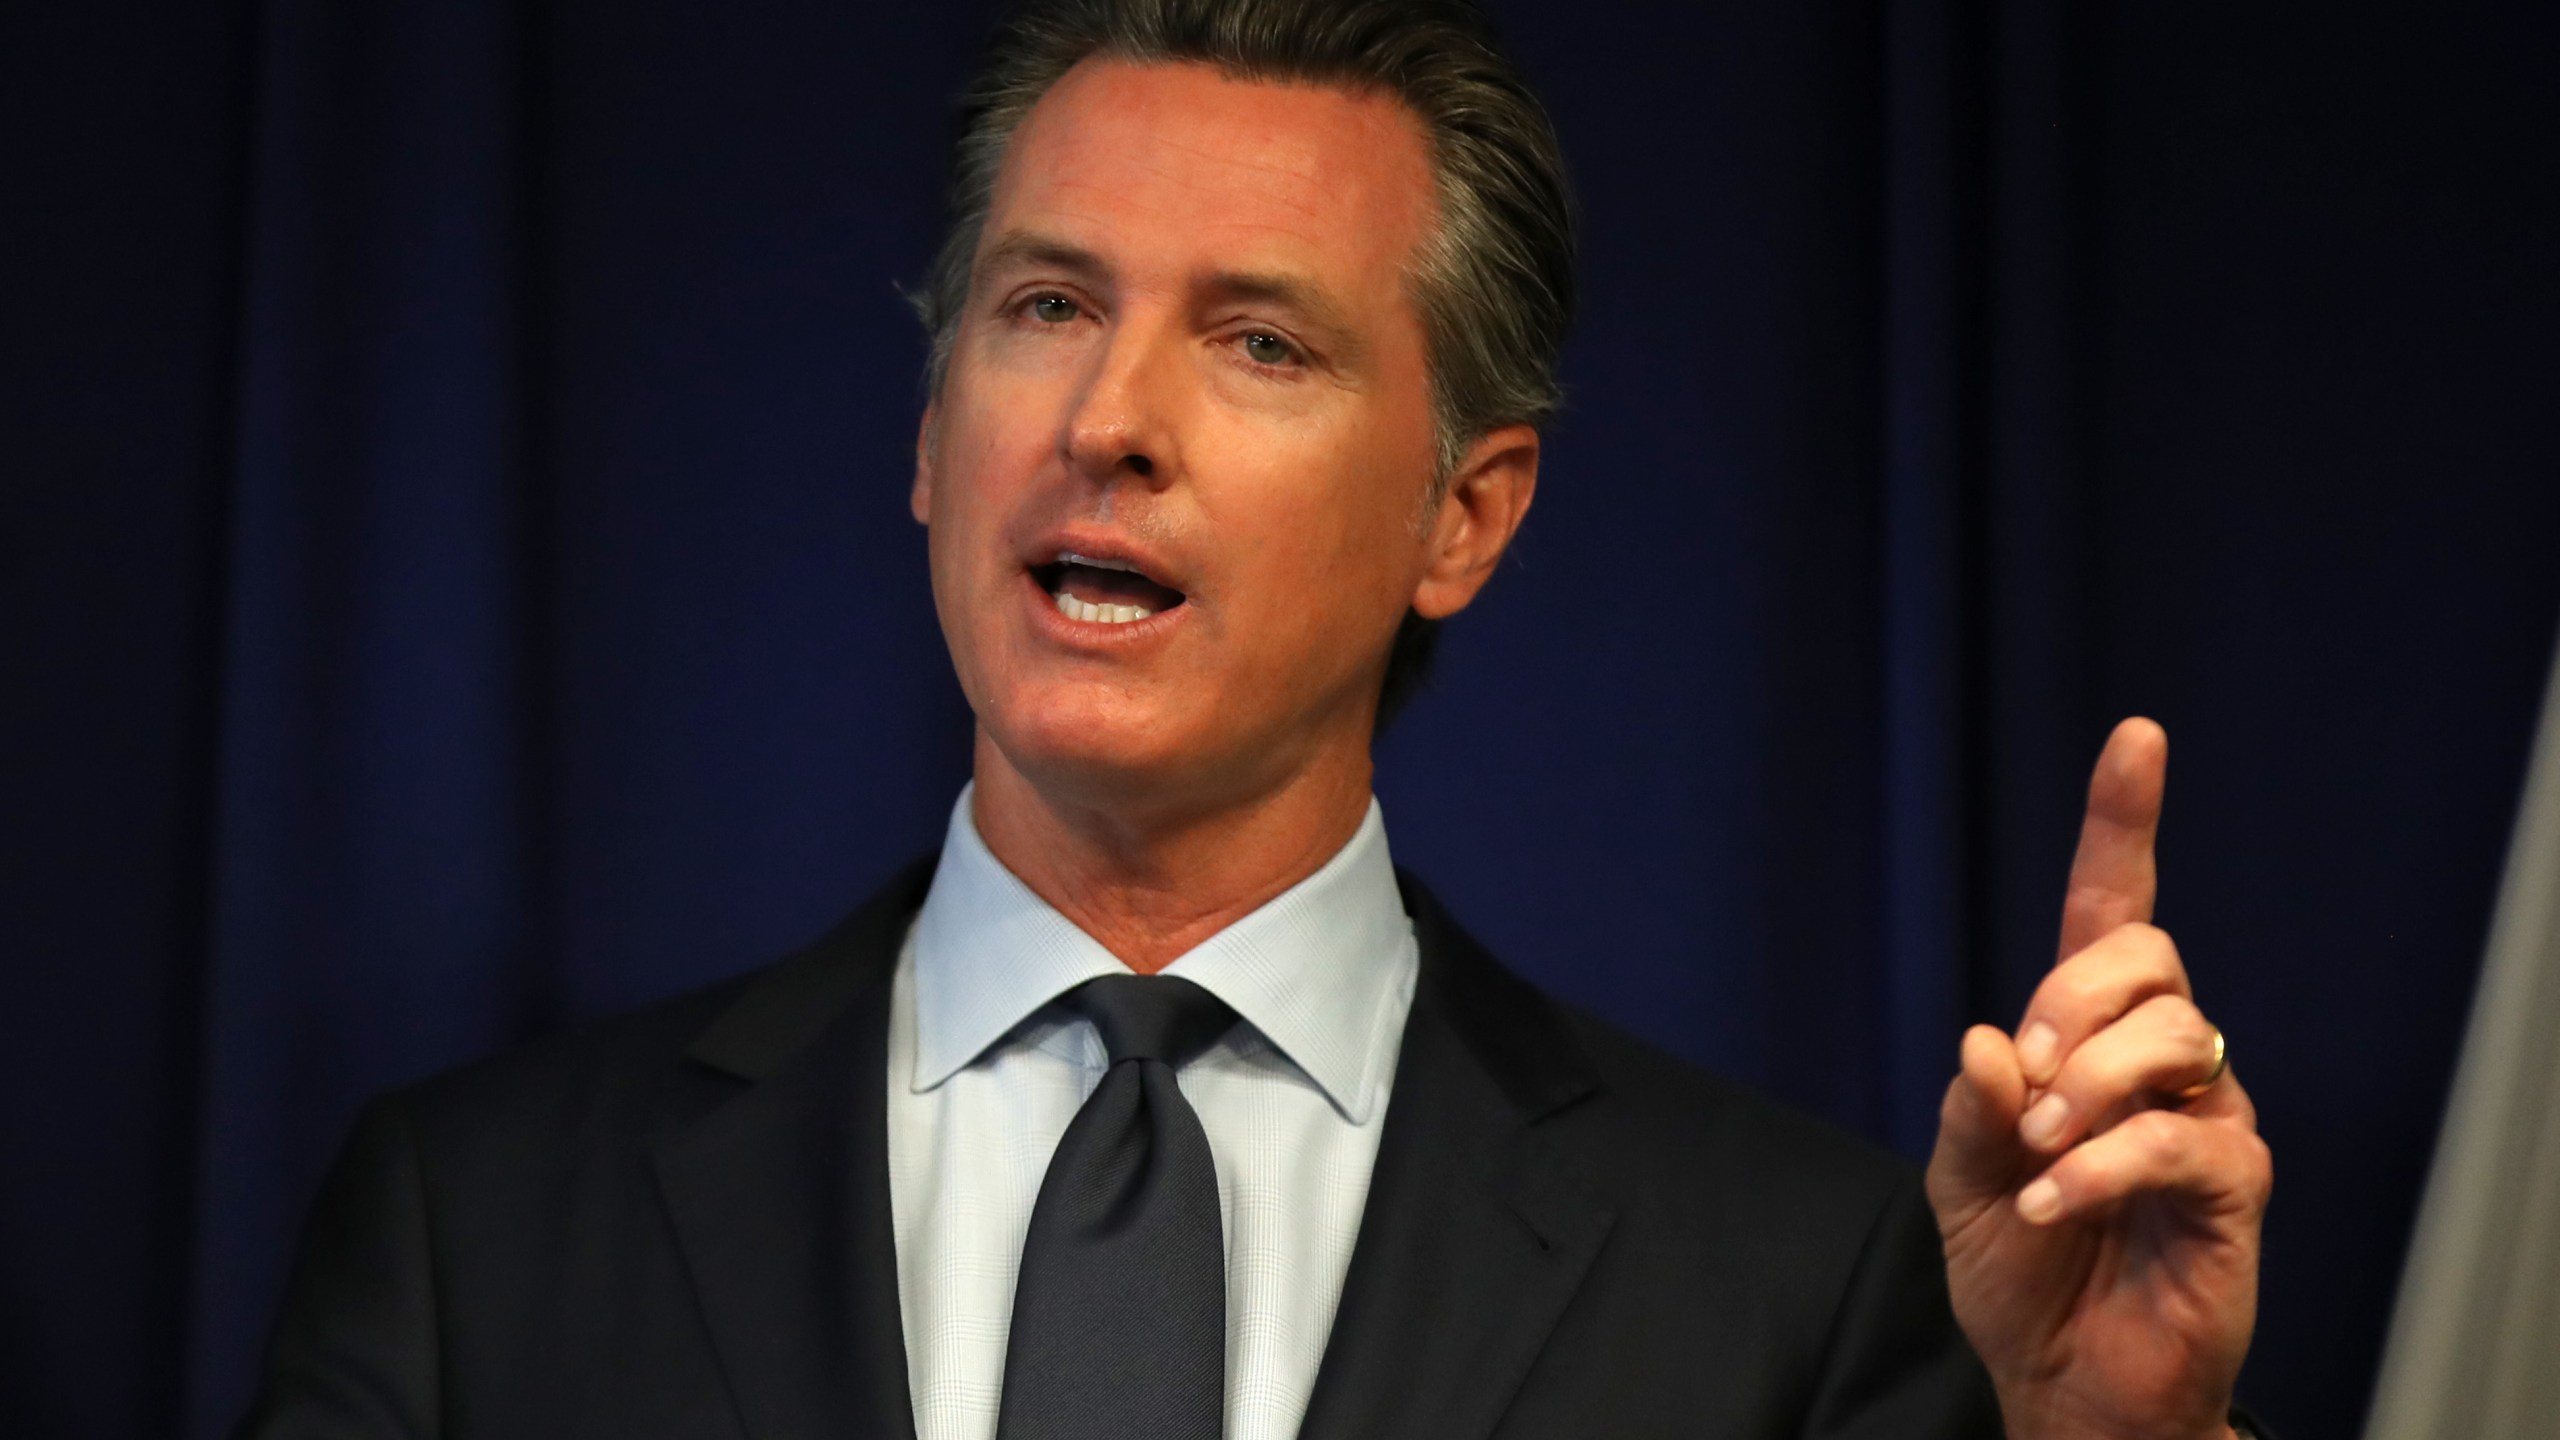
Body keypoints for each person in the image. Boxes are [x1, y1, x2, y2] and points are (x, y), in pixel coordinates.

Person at [237, 2, 2274, 1436]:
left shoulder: (1785, 1294)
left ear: (1460, 516)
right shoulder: (473, 1234)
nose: (1106, 420)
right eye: (1043, 305)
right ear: (932, 439)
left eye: (1257, 339)